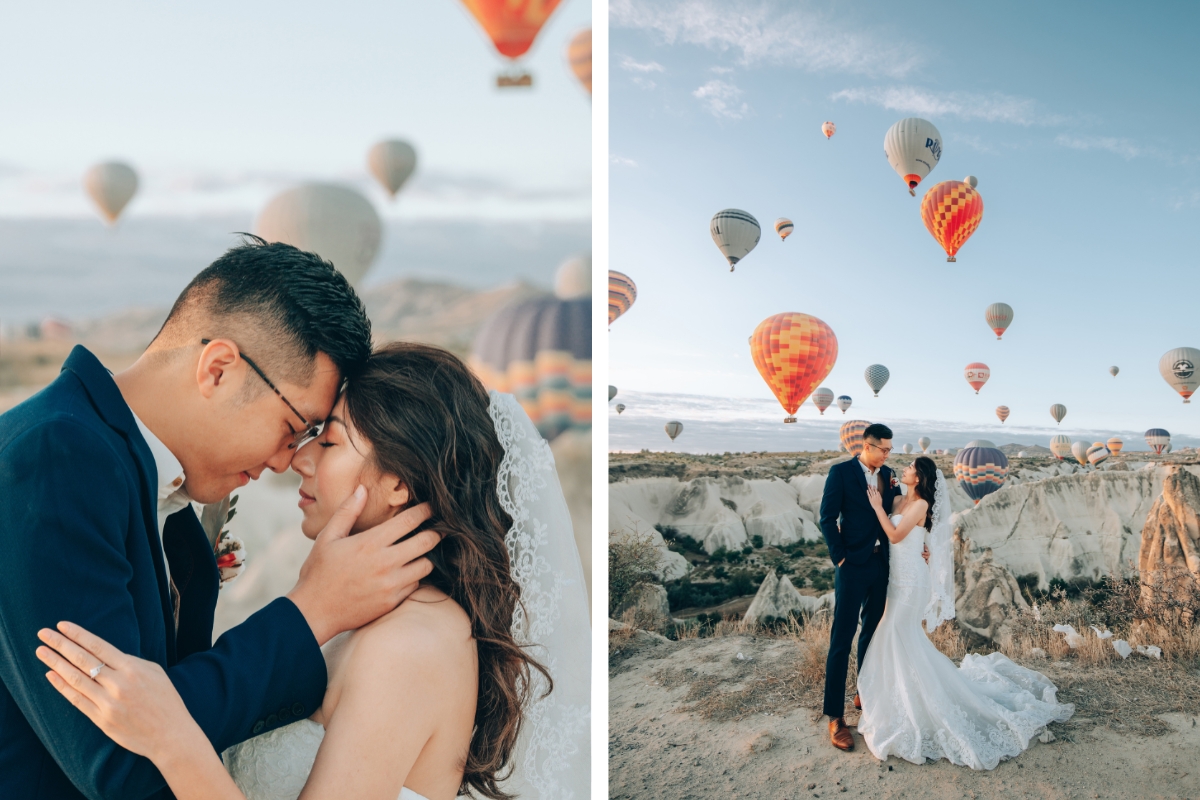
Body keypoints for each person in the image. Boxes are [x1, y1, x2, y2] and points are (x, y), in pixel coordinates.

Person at [35, 342, 592, 799]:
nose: (299, 459)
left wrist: (172, 738)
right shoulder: (375, 618)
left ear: (399, 483)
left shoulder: (416, 640)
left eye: (327, 441)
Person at [0, 238, 438, 800]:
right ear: (219, 369)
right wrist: (311, 613)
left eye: (313, 439)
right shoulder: (55, 459)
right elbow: (122, 764)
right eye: (294, 427)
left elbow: (166, 709)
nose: (286, 460)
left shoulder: (166, 495)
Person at [856, 456, 1073, 769]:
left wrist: (877, 506)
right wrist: (884, 497)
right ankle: (901, 700)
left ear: (919, 477)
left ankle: (919, 704)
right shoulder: (900, 498)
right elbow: (902, 530)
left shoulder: (919, 506)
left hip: (912, 582)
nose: (904, 470)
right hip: (895, 580)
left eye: (910, 468)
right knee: (897, 637)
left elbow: (894, 535)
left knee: (895, 634)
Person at [818, 423, 906, 750]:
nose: (887, 455)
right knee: (842, 638)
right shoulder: (840, 473)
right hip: (852, 566)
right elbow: (827, 518)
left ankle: (864, 695)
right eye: (883, 449)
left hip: (882, 565)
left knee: (871, 632)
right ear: (866, 446)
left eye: (889, 450)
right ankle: (835, 717)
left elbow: (899, 511)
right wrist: (839, 558)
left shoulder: (889, 474)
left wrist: (920, 541)